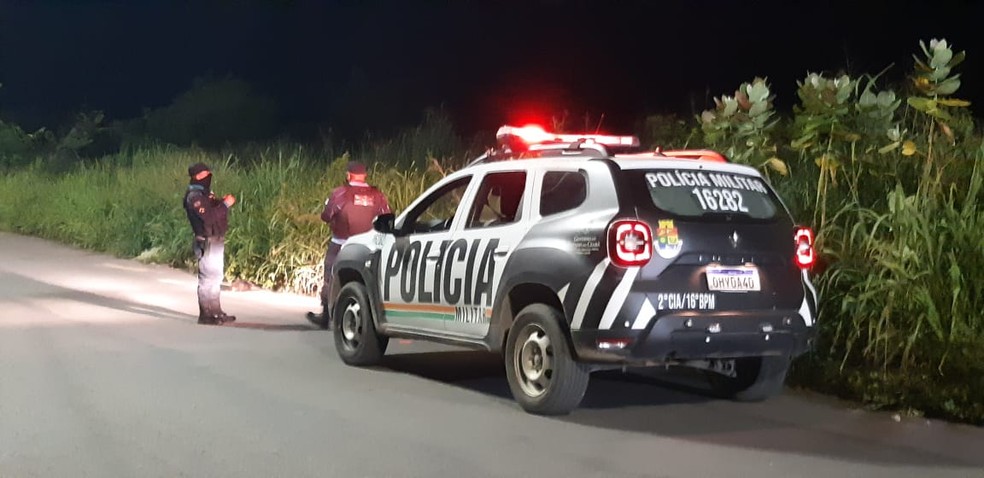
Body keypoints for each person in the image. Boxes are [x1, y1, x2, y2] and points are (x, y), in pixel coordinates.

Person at [307, 160, 391, 328]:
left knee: (331, 275)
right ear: (365, 175)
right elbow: (387, 216)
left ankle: (325, 315)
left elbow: (326, 215)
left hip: (341, 243)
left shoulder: (340, 193)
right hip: (369, 245)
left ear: (348, 175)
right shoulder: (378, 195)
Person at [183, 162, 237, 325]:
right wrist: (225, 204)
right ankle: (206, 314)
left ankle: (216, 311)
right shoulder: (194, 197)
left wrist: (219, 202)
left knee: (216, 277)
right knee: (207, 278)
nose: (209, 177)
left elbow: (213, 211)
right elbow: (209, 217)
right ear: (198, 176)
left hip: (216, 238)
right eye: (207, 174)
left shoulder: (204, 194)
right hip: (206, 241)